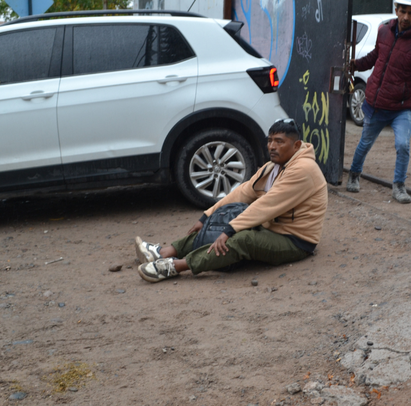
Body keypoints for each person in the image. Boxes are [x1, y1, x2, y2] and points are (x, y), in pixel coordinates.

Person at [134, 119, 328, 283]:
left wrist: (230, 230)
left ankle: (176, 266)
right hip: (271, 228)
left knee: (242, 239)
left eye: (279, 141)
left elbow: (266, 205)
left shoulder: (303, 169)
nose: (272, 146)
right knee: (217, 224)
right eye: (270, 141)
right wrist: (206, 216)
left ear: (296, 145)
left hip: (295, 241)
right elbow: (244, 192)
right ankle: (165, 252)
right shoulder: (273, 166)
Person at [347, 0, 411, 204]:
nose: (406, 16)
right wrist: (356, 65)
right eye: (403, 11)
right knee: (364, 144)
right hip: (376, 104)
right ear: (396, 9)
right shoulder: (384, 31)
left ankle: (398, 186)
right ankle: (354, 174)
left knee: (403, 145)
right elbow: (376, 56)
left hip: (401, 108)